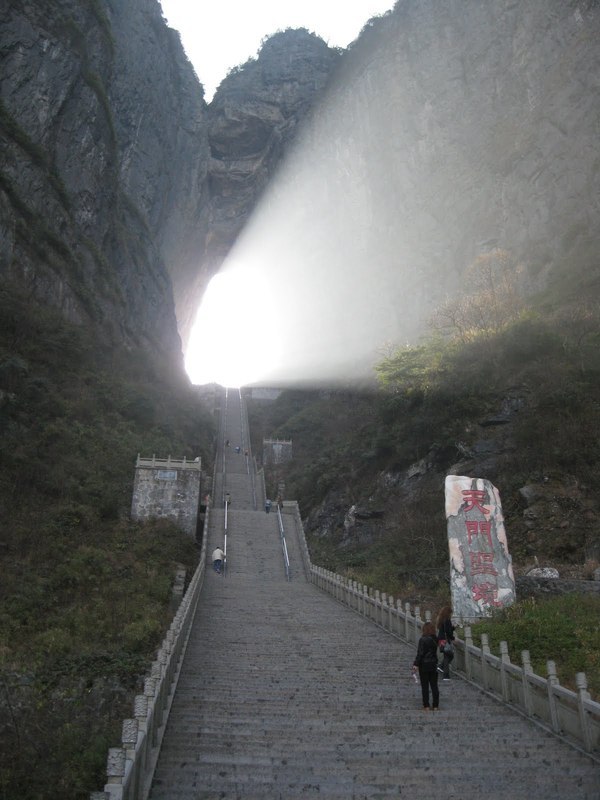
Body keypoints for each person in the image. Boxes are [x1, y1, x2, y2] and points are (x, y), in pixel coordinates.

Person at [412, 621, 440, 710]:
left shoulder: (423, 639)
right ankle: (435, 705)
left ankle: (426, 706)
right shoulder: (435, 639)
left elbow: (420, 653)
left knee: (425, 686)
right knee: (434, 685)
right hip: (433, 664)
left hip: (424, 665)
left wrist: (415, 664)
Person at [436, 605, 455, 680]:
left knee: (448, 655)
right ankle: (446, 675)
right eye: (450, 613)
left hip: (441, 640)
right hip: (445, 640)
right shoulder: (447, 620)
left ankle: (441, 667)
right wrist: (453, 638)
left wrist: (453, 628)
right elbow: (447, 631)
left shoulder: (441, 619)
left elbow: (445, 630)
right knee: (448, 656)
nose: (451, 614)